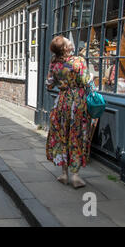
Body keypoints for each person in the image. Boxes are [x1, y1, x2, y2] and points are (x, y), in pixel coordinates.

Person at [46, 35, 92, 189]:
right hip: (77, 102)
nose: (71, 41)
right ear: (66, 48)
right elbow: (86, 81)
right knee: (76, 134)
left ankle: (64, 174)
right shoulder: (79, 61)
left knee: (62, 134)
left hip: (62, 102)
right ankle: (76, 176)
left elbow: (49, 85)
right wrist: (91, 77)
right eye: (68, 41)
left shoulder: (54, 63)